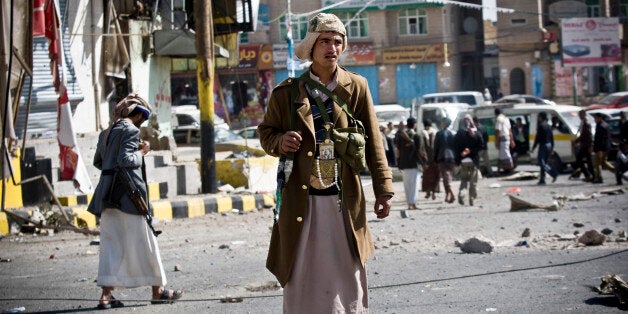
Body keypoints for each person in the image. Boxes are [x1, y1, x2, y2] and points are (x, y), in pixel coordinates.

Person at [257, 13, 394, 312]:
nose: (331, 48)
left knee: (346, 271)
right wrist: (280, 142)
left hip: (343, 201)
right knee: (302, 268)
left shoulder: (356, 87)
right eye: (324, 41)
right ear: (311, 47)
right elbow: (266, 133)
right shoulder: (287, 93)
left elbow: (373, 140)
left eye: (337, 41)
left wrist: (384, 189)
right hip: (302, 201)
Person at [87, 93, 183, 309]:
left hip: (107, 196)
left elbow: (99, 162)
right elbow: (125, 160)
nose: (143, 121)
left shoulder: (106, 133)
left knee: (111, 246)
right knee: (147, 242)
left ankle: (106, 296)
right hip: (129, 197)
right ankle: (158, 292)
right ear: (138, 114)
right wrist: (142, 151)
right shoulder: (131, 130)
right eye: (143, 117)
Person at [395, 117, 422, 210]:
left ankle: (409, 204)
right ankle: (413, 203)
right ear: (414, 125)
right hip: (414, 164)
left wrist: (398, 163)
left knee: (406, 186)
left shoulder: (400, 136)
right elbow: (419, 151)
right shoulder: (416, 136)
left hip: (404, 164)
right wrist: (423, 162)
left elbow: (398, 151)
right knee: (414, 185)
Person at [530, 112, 558, 185]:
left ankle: (553, 173)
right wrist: (552, 147)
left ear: (541, 117)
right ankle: (542, 179)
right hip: (549, 145)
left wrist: (533, 148)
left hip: (543, 145)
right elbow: (552, 137)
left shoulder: (541, 126)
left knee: (541, 162)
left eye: (539, 117)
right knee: (544, 162)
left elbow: (538, 138)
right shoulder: (548, 126)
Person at [433, 117, 456, 203]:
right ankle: (448, 195)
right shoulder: (451, 133)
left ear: (444, 123)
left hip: (442, 157)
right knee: (448, 177)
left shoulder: (439, 134)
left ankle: (452, 194)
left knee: (445, 177)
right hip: (451, 157)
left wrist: (435, 158)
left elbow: (436, 147)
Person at [571, 110, 594, 182]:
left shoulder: (586, 123)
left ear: (584, 115)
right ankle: (590, 175)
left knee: (586, 161)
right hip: (583, 144)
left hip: (586, 145)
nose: (580, 116)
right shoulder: (582, 122)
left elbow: (588, 135)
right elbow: (582, 135)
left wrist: (590, 145)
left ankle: (591, 175)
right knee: (583, 160)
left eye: (581, 115)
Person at [419, 118, 439, 200]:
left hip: (426, 158)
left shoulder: (422, 133)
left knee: (427, 175)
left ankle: (428, 192)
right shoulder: (435, 132)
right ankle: (433, 192)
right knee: (435, 175)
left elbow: (420, 147)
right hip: (434, 157)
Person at [592, 112, 615, 183]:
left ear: (599, 118)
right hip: (605, 147)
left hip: (601, 148)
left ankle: (599, 178)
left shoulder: (601, 126)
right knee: (602, 162)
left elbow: (601, 139)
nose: (594, 120)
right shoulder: (604, 125)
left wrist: (599, 150)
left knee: (598, 163)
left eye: (595, 118)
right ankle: (616, 171)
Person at [494, 108, 514, 175]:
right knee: (501, 156)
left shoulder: (499, 119)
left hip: (502, 139)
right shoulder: (506, 119)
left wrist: (496, 141)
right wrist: (511, 140)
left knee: (507, 156)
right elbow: (510, 131)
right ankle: (498, 171)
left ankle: (511, 170)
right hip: (507, 138)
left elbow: (497, 131)